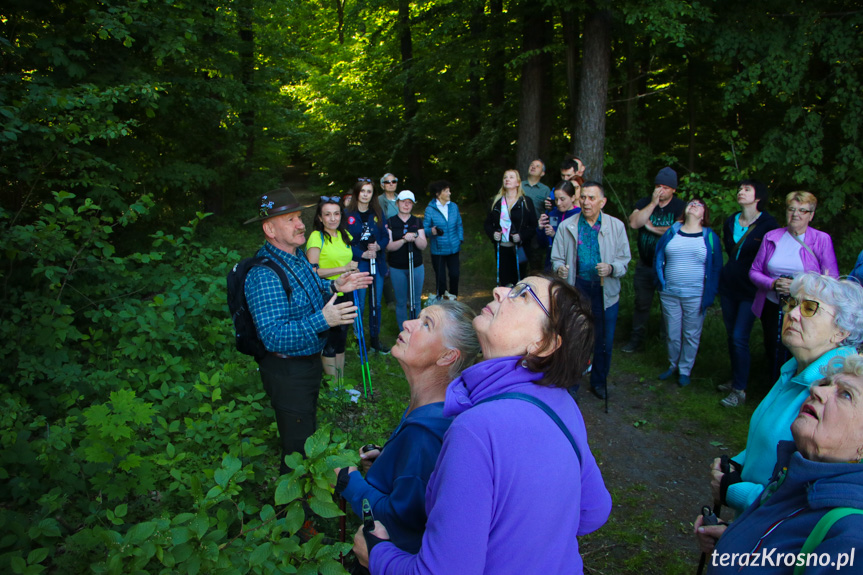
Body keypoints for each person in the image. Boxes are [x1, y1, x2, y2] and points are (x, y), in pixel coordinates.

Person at [353, 275, 611, 574]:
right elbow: (594, 511)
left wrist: (378, 556)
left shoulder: (477, 428)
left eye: (522, 294)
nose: (499, 290)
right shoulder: (562, 403)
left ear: (543, 343)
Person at [709, 273, 863, 516]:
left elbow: (811, 499)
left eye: (810, 308)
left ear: (841, 331)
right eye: (791, 303)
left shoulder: (837, 392)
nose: (792, 313)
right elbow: (768, 438)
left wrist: (738, 492)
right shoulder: (794, 369)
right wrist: (740, 463)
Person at [334, 301, 480, 554]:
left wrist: (351, 483)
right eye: (419, 317)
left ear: (447, 356)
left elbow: (399, 520)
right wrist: (390, 462)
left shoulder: (425, 432)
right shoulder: (435, 410)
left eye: (426, 324)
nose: (407, 323)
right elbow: (422, 481)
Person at [695, 354, 863, 574]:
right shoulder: (793, 476)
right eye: (825, 383)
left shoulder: (852, 539)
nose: (817, 391)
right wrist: (733, 540)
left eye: (846, 395)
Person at [243, 189, 371, 473]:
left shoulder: (297, 257)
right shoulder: (264, 274)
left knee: (306, 432)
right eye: (290, 219)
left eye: (299, 217)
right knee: (298, 448)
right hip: (288, 373)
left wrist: (336, 287)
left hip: (308, 363)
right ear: (270, 229)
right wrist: (323, 320)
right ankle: (296, 505)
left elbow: (308, 293)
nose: (301, 224)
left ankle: (308, 497)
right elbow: (273, 335)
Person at [551, 182, 631, 400]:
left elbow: (625, 260)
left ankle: (599, 381)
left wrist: (612, 268)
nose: (586, 202)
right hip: (577, 289)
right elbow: (556, 256)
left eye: (591, 198)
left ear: (602, 202)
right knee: (574, 338)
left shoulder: (616, 226)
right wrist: (559, 268)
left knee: (604, 341)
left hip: (606, 292)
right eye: (584, 197)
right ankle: (572, 381)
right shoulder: (568, 225)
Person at [749, 191, 839, 382]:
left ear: (811, 215)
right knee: (773, 345)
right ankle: (775, 386)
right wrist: (773, 284)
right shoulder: (772, 237)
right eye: (791, 209)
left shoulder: (821, 240)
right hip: (773, 305)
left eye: (802, 210)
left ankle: (799, 386)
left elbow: (832, 279)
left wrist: (799, 286)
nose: (796, 214)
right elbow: (754, 271)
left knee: (799, 347)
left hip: (805, 308)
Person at [717, 180, 779, 407]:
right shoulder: (731, 220)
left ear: (758, 196)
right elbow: (730, 251)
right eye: (740, 189)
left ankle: (740, 390)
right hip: (728, 286)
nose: (740, 192)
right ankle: (736, 378)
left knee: (739, 337)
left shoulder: (769, 225)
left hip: (751, 289)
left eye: (746, 189)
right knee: (731, 335)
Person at [653, 198, 723, 387]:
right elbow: (658, 256)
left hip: (696, 295)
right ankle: (672, 365)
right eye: (691, 203)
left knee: (691, 334)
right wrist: (660, 281)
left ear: (704, 214)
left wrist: (712, 292)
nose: (694, 205)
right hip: (670, 292)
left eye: (699, 205)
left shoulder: (709, 237)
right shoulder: (672, 232)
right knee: (672, 332)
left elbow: (716, 267)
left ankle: (685, 370)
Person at [623, 167, 686, 353]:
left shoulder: (680, 207)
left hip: (669, 267)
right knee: (641, 303)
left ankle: (665, 345)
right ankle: (636, 340)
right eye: (658, 186)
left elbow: (677, 231)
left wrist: (650, 228)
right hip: (645, 264)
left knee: (669, 308)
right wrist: (652, 203)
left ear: (673, 189)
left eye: (665, 187)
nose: (661, 190)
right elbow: (634, 223)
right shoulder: (645, 202)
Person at [305, 196, 359, 381]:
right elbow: (312, 271)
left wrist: (352, 270)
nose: (333, 218)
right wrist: (343, 269)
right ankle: (333, 390)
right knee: (329, 341)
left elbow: (348, 262)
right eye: (327, 214)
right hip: (327, 294)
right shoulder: (316, 237)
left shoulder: (346, 235)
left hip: (347, 291)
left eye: (336, 213)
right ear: (320, 218)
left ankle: (341, 384)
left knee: (341, 339)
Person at [344, 180, 390, 353]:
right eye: (362, 191)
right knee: (360, 303)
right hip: (360, 263)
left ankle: (375, 339)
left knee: (376, 303)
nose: (365, 194)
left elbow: (385, 236)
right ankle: (359, 339)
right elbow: (344, 241)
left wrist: (378, 246)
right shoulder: (348, 214)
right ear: (357, 193)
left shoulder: (378, 212)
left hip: (376, 262)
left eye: (369, 191)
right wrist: (360, 253)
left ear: (373, 194)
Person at [483, 169, 538, 287]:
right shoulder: (496, 201)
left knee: (519, 279)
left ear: (518, 182)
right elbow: (487, 224)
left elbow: (533, 226)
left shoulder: (525, 202)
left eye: (511, 177)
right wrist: (493, 234)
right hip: (502, 248)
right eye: (505, 177)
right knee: (504, 280)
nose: (507, 179)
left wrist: (521, 236)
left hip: (520, 248)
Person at [387, 191, 427, 331]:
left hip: (416, 265)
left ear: (412, 205)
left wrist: (414, 237)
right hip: (397, 267)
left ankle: (417, 331)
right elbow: (389, 246)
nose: (406, 204)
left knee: (415, 301)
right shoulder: (391, 222)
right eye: (403, 201)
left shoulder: (417, 221)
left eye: (409, 202)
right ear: (397, 203)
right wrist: (404, 239)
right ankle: (404, 331)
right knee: (401, 301)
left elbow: (423, 245)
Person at [423, 180, 464, 301]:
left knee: (455, 275)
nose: (449, 193)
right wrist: (432, 231)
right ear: (438, 193)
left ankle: (454, 301)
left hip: (453, 248)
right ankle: (442, 305)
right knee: (441, 279)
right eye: (446, 191)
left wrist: (459, 239)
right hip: (438, 250)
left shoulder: (453, 206)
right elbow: (424, 230)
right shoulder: (430, 209)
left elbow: (459, 224)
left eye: (449, 190)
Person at [537, 179, 581, 271]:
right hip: (551, 262)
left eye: (562, 199)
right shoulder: (553, 214)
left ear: (572, 198)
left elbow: (577, 243)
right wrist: (540, 229)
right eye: (556, 199)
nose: (558, 203)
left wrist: (555, 235)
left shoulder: (579, 215)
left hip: (573, 264)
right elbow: (543, 244)